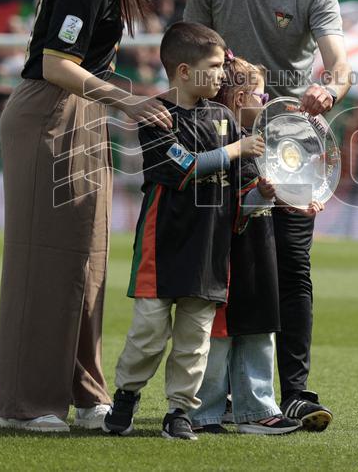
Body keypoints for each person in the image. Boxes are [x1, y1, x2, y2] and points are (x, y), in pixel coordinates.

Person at [0, 0, 190, 434]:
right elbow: (57, 63)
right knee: (46, 261)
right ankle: (26, 405)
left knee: (86, 256)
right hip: (50, 113)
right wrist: (125, 101)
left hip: (78, 112)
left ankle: (84, 391)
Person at [183, 0, 350, 431]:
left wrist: (330, 88)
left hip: (291, 146)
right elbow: (187, 53)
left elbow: (340, 63)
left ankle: (296, 392)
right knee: (221, 270)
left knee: (292, 266)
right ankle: (217, 399)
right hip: (223, 139)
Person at [102, 22, 265, 441]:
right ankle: (127, 394)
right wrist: (234, 150)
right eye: (213, 67)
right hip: (163, 246)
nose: (221, 76)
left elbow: (244, 184)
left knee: (195, 340)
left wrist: (264, 191)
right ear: (184, 72)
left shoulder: (226, 118)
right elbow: (185, 167)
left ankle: (179, 411)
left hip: (210, 250)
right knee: (148, 334)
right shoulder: (154, 115)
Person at [189, 54, 306, 436]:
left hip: (258, 251)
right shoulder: (225, 143)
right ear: (240, 98)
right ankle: (204, 412)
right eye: (260, 92)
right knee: (219, 335)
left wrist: (289, 197)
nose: (266, 97)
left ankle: (257, 409)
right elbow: (226, 206)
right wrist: (260, 194)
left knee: (260, 329)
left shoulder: (256, 143)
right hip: (226, 256)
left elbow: (259, 198)